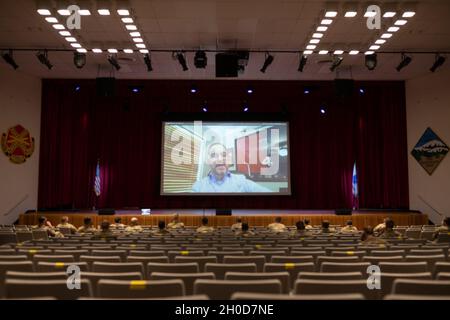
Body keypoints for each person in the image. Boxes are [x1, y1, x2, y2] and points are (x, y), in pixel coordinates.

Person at [191, 143, 271, 193]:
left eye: (224, 155)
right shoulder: (198, 187)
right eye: (213, 155)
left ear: (229, 160)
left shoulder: (242, 181)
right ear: (208, 161)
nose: (220, 159)